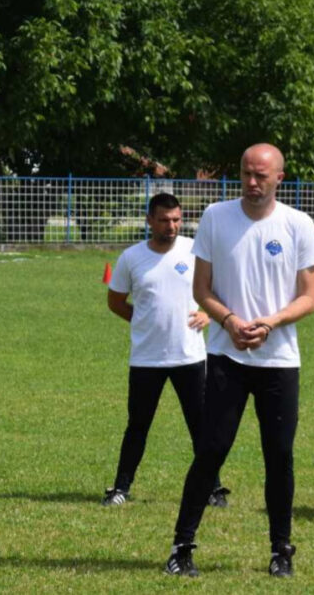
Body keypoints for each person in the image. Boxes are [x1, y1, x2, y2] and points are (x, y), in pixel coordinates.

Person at [164, 143, 314, 578]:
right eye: (246, 174)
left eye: (261, 176)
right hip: (225, 357)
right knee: (211, 450)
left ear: (280, 179)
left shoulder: (298, 225)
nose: (252, 183)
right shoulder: (216, 216)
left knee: (279, 456)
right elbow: (202, 290)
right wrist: (231, 322)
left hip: (279, 363)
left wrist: (270, 323)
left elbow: (309, 298)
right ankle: (181, 547)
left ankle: (281, 552)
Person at [104, 192, 228, 508]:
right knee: (138, 425)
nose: (171, 226)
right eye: (163, 220)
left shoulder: (195, 250)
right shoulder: (131, 258)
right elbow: (115, 302)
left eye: (176, 219)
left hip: (189, 356)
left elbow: (221, 291)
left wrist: (208, 313)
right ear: (150, 220)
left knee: (201, 426)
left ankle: (213, 489)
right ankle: (121, 488)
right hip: (146, 359)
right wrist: (143, 320)